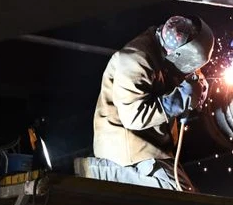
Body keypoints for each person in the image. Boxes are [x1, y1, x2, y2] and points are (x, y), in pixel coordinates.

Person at [73, 15, 214, 191]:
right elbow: (134, 116)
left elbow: (185, 67)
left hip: (152, 146)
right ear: (177, 52)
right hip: (127, 151)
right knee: (179, 193)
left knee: (187, 196)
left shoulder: (167, 49)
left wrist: (198, 81)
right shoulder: (134, 59)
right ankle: (105, 171)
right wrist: (182, 98)